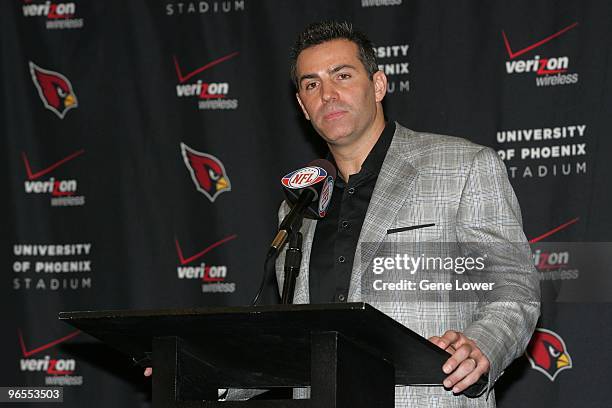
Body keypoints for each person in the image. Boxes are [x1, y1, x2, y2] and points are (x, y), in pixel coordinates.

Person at [268, 21, 540, 407]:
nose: (327, 94)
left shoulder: (463, 166)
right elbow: (292, 341)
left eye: (342, 75)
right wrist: (194, 368)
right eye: (311, 84)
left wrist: (482, 345)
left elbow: (514, 286)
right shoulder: (298, 206)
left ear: (378, 85)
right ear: (302, 105)